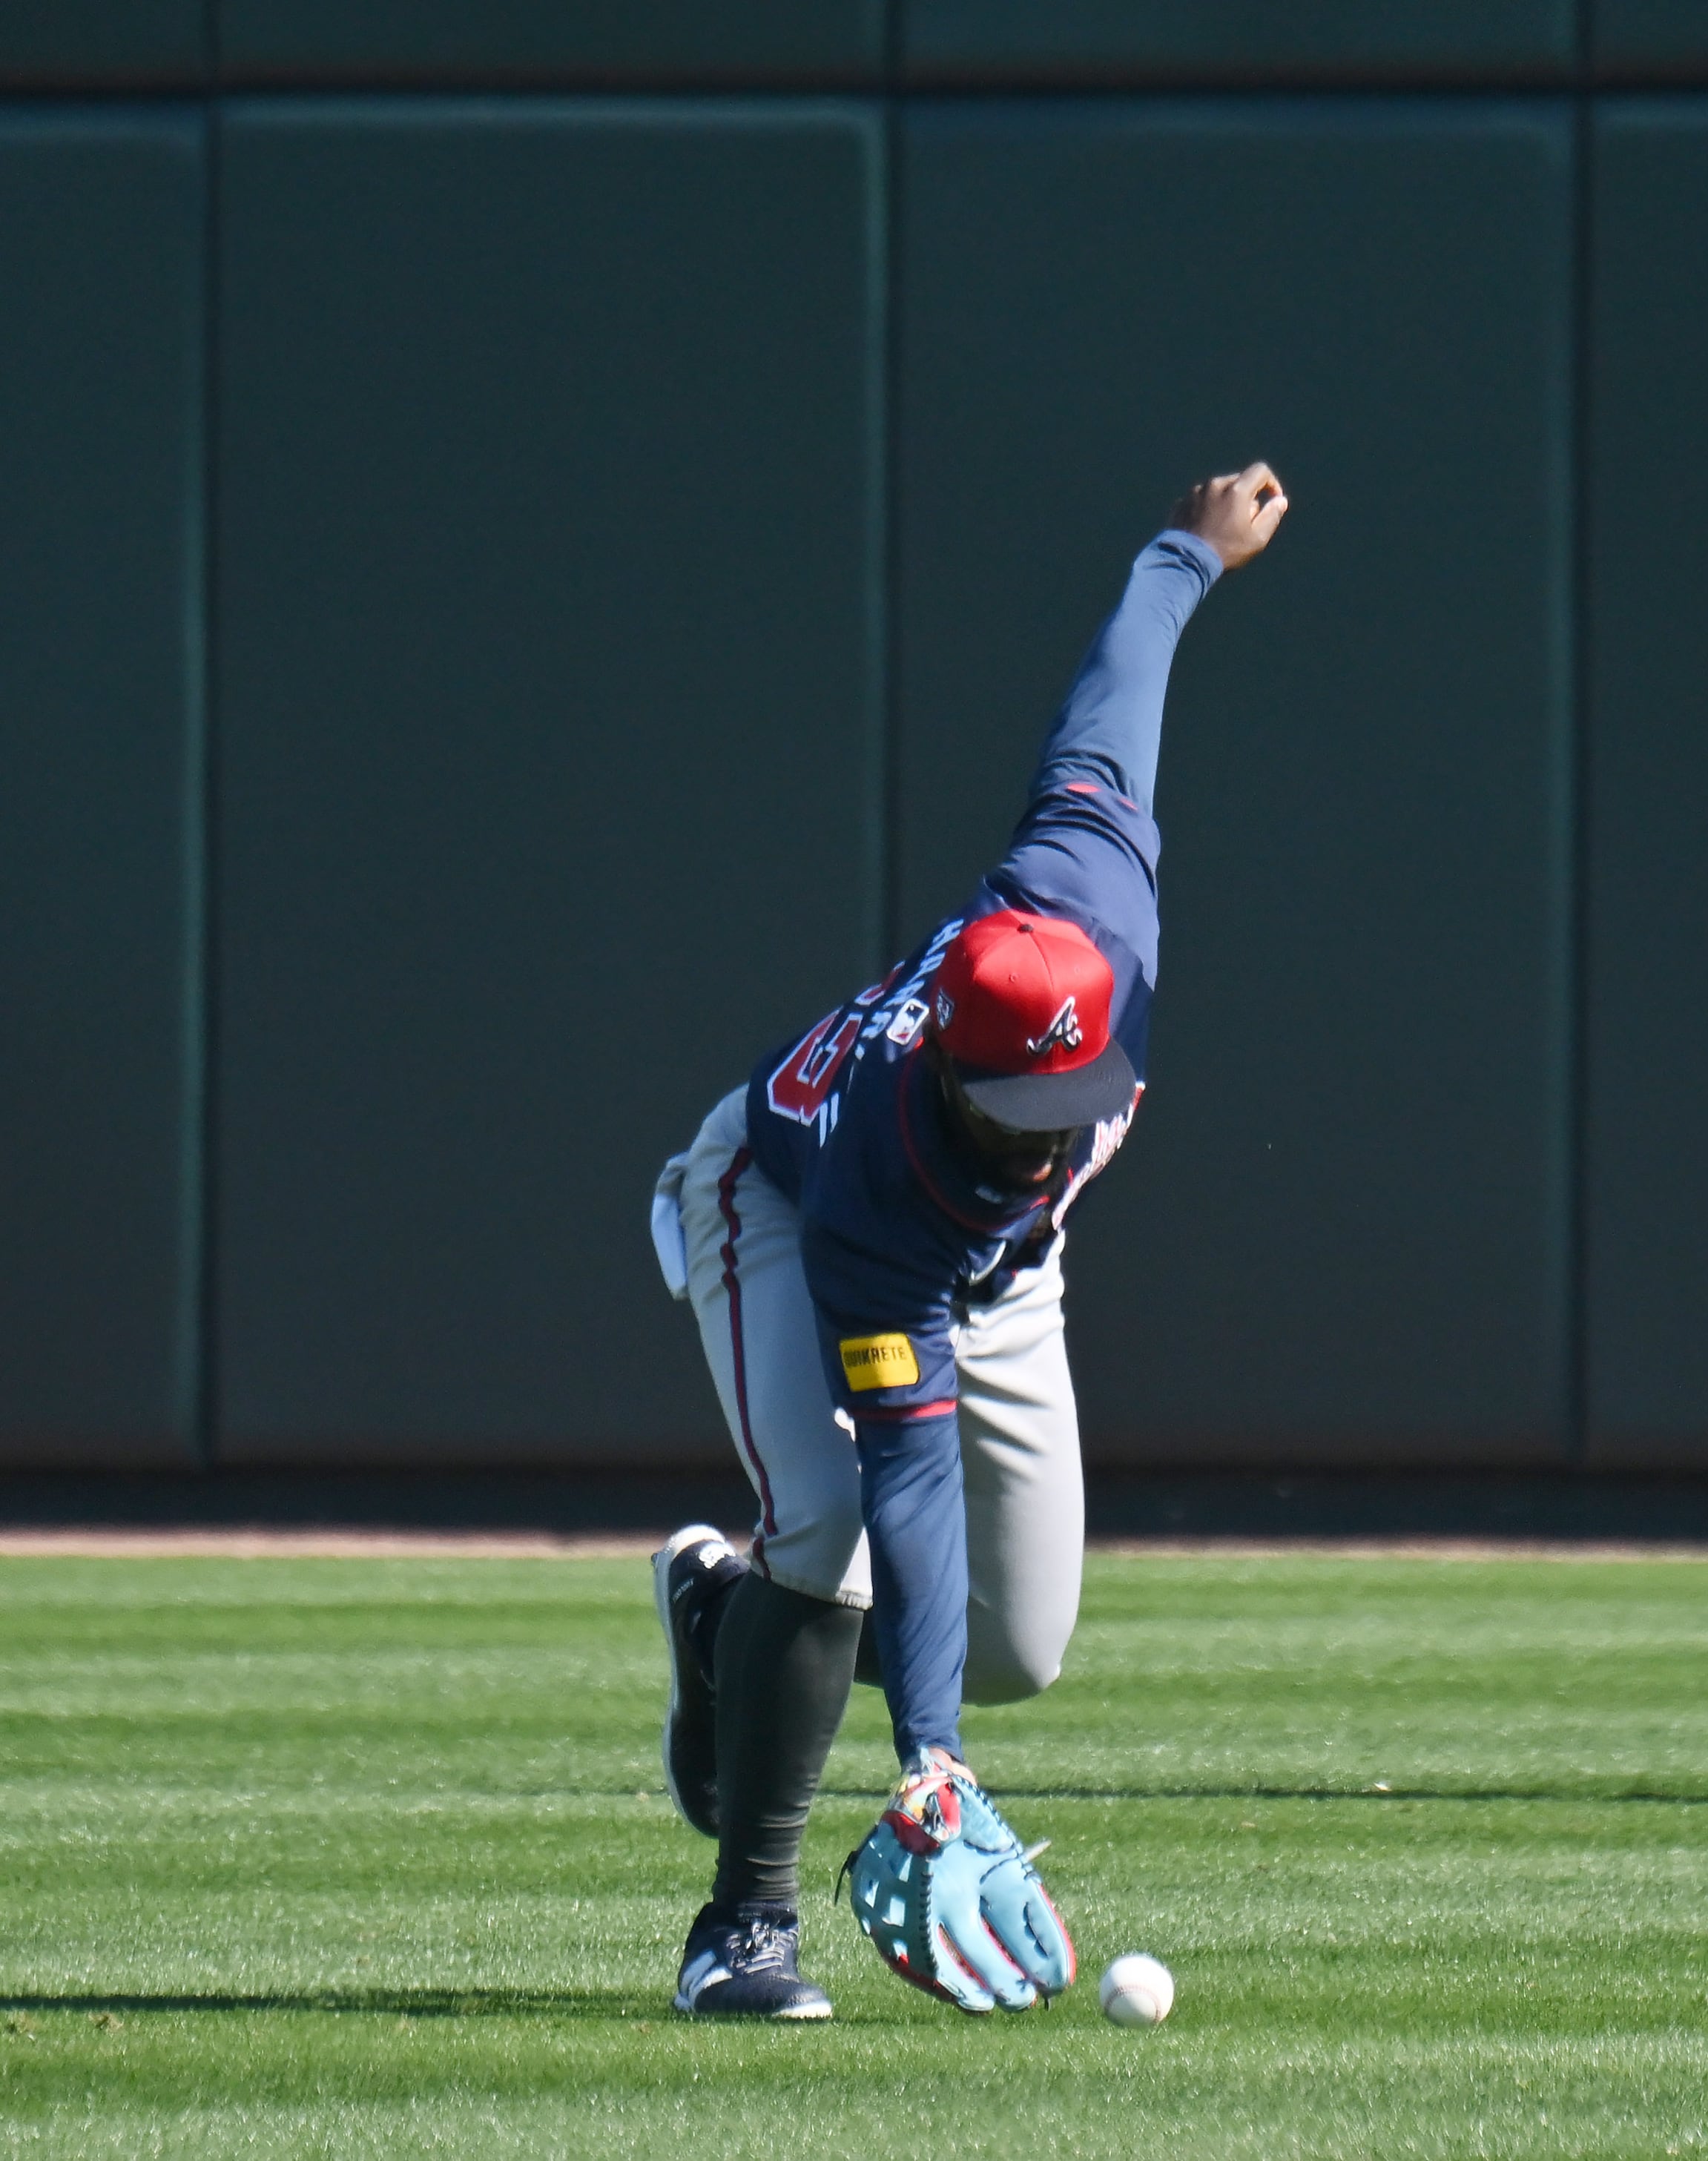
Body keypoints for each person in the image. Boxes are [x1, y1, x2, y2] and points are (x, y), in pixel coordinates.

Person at [642, 465, 1290, 2016]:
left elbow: (1109, 711)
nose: (1061, 1121)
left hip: (994, 1272)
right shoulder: (890, 1167)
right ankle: (742, 1930)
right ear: (954, 1072)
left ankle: (725, 1628)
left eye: (1076, 1089)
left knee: (1025, 1645)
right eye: (1028, 1105)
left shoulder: (1092, 894)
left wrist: (1186, 555)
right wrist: (930, 1764)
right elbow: (911, 1469)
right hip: (785, 1212)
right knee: (836, 1532)